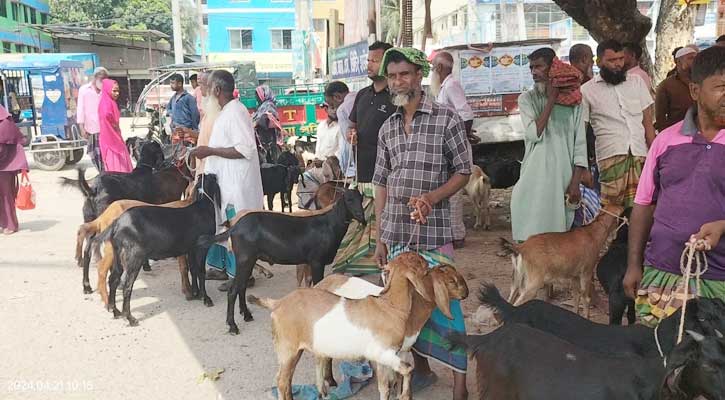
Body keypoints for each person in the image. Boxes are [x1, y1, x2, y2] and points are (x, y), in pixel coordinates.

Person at [373, 47, 472, 400]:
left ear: (419, 75)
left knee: (447, 306)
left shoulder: (446, 119)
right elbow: (381, 182)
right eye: (393, 76)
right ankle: (424, 371)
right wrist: (379, 235)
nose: (398, 81)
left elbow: (463, 170)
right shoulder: (388, 128)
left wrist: (431, 198)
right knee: (405, 309)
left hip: (433, 233)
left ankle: (460, 383)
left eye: (405, 74)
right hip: (398, 232)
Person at [623, 45, 725, 326]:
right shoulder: (665, 141)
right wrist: (634, 265)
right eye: (720, 87)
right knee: (659, 360)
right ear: (695, 91)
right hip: (663, 273)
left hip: (720, 280)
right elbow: (644, 205)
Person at [190, 70, 263, 290]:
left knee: (236, 229)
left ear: (217, 90)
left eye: (208, 88)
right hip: (224, 183)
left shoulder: (236, 112)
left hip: (236, 186)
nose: (204, 94)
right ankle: (221, 269)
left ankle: (241, 276)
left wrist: (210, 150)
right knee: (219, 224)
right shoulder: (225, 112)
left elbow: (245, 149)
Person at [510, 48, 588, 242]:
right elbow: (534, 134)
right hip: (534, 178)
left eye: (539, 66)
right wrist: (552, 99)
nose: (534, 72)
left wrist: (575, 182)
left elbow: (580, 144)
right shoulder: (527, 99)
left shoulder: (575, 103)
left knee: (558, 239)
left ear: (553, 67)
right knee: (529, 238)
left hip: (562, 178)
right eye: (531, 68)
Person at [331, 41, 394, 276]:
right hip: (362, 175)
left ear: (387, 63)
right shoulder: (362, 96)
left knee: (384, 233)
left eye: (374, 60)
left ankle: (385, 278)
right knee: (361, 236)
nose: (369, 65)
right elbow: (354, 126)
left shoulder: (396, 99)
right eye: (368, 60)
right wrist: (352, 134)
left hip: (387, 179)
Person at [581, 40, 655, 210]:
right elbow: (581, 133)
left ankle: (636, 238)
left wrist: (654, 156)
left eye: (620, 59)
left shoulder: (636, 82)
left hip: (639, 154)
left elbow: (647, 124)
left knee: (642, 207)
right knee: (611, 212)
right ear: (599, 62)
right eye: (612, 60)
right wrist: (583, 167)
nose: (618, 64)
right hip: (610, 157)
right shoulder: (587, 90)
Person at [430, 50, 475, 248]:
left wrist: (460, 138)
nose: (432, 71)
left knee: (454, 191)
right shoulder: (444, 87)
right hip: (448, 144)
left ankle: (457, 235)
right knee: (449, 190)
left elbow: (466, 113)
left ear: (439, 68)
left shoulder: (451, 85)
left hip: (454, 146)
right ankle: (452, 233)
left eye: (433, 67)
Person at [654, 46, 698, 132]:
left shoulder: (702, 81)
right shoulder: (666, 85)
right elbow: (660, 117)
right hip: (677, 132)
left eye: (696, 58)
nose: (695, 61)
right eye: (691, 58)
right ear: (678, 61)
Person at [0, 105, 28, 234]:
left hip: (5, 166)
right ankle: (2, 223)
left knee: (6, 196)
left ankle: (10, 225)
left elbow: (12, 144)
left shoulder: (5, 123)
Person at [76, 67, 108, 172]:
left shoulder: (106, 90)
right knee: (95, 154)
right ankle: (102, 173)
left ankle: (105, 174)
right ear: (95, 78)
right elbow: (80, 109)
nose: (103, 82)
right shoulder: (84, 90)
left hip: (105, 128)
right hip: (91, 128)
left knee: (106, 155)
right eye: (101, 79)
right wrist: (81, 127)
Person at [98, 79, 133, 173]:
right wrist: (114, 125)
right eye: (114, 91)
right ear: (107, 90)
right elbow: (106, 115)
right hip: (111, 141)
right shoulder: (106, 103)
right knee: (118, 168)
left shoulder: (110, 102)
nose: (117, 93)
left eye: (118, 91)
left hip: (114, 138)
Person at [323, 81, 356, 177]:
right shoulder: (360, 97)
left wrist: (344, 169)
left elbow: (348, 144)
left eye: (332, 105)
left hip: (354, 168)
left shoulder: (342, 109)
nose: (334, 109)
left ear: (338, 97)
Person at [251, 84, 283, 163]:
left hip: (268, 142)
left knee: (269, 164)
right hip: (264, 140)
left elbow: (267, 120)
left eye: (258, 96)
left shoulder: (269, 105)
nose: (257, 98)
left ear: (264, 95)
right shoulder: (262, 106)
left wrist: (256, 121)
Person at [166, 74, 200, 139]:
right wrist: (172, 114)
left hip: (187, 132)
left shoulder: (188, 98)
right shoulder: (173, 97)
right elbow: (168, 108)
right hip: (176, 131)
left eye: (173, 83)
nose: (171, 85)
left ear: (179, 84)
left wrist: (194, 130)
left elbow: (195, 114)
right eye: (170, 83)